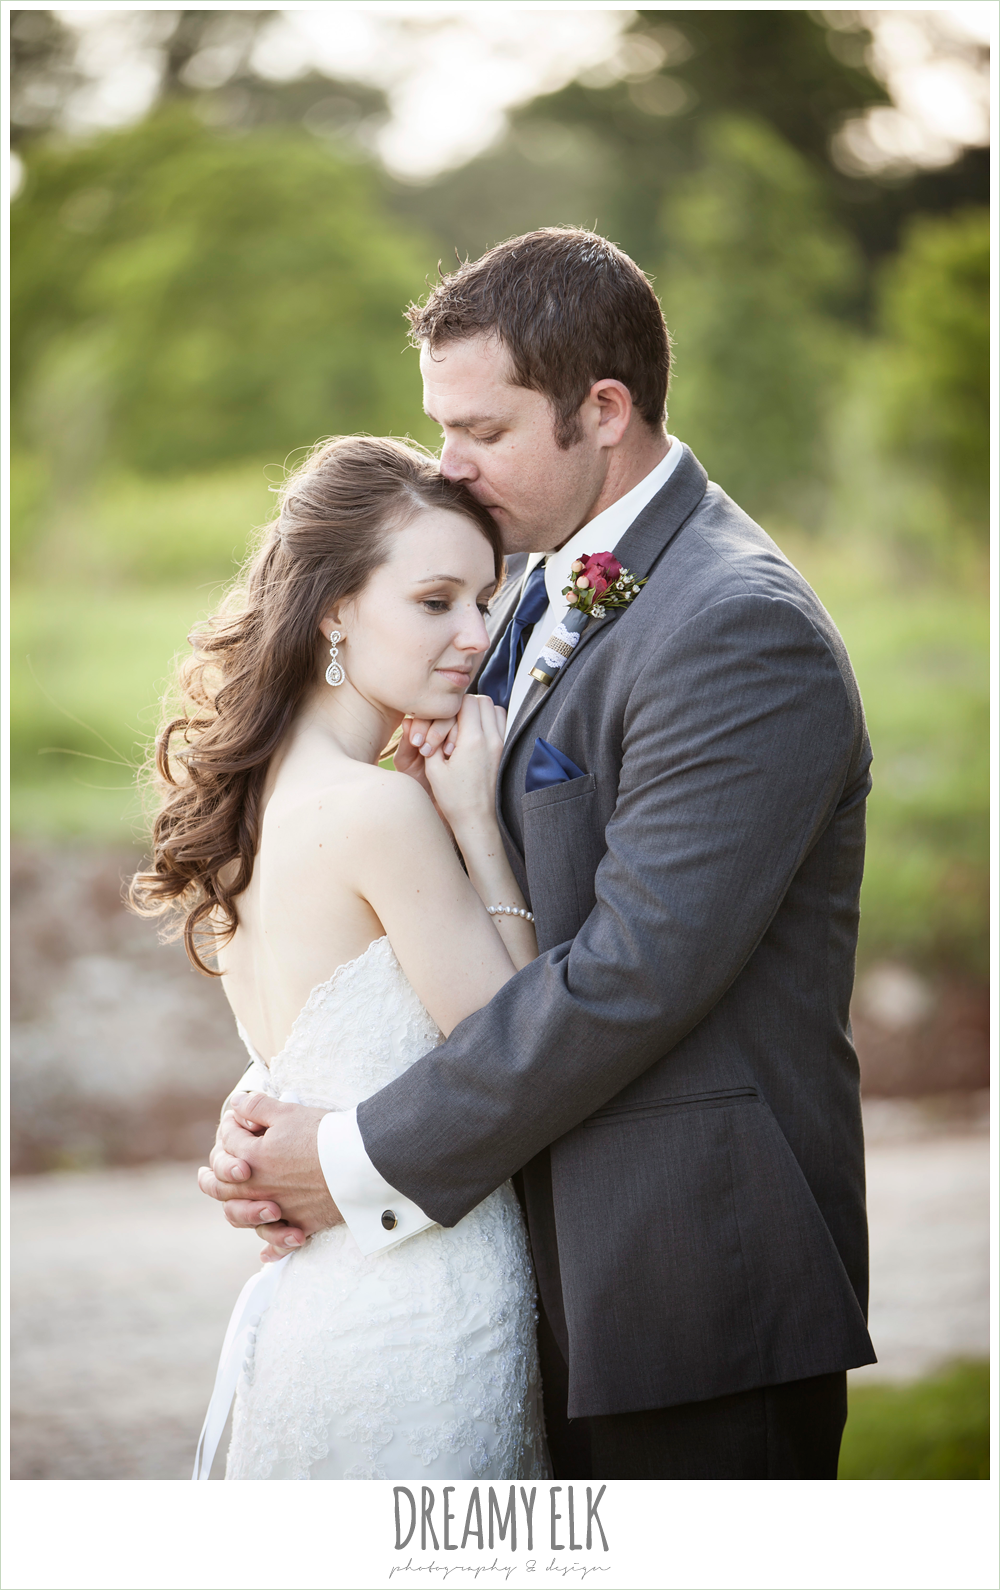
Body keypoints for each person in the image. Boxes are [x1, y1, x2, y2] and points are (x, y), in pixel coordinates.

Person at [199, 228, 877, 1480]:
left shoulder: (735, 628)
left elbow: (634, 973)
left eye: (481, 431)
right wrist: (279, 1114)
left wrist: (349, 1156)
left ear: (601, 410)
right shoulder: (535, 584)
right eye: (439, 428)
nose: (449, 465)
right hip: (524, 1263)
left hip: (684, 1280)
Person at [130, 435, 550, 1481]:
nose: (475, 635)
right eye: (435, 601)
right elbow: (512, 1045)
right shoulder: (380, 809)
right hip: (423, 1298)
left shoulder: (249, 807)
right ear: (333, 608)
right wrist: (479, 826)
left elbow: (309, 1053)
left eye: (484, 601)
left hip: (318, 1300)